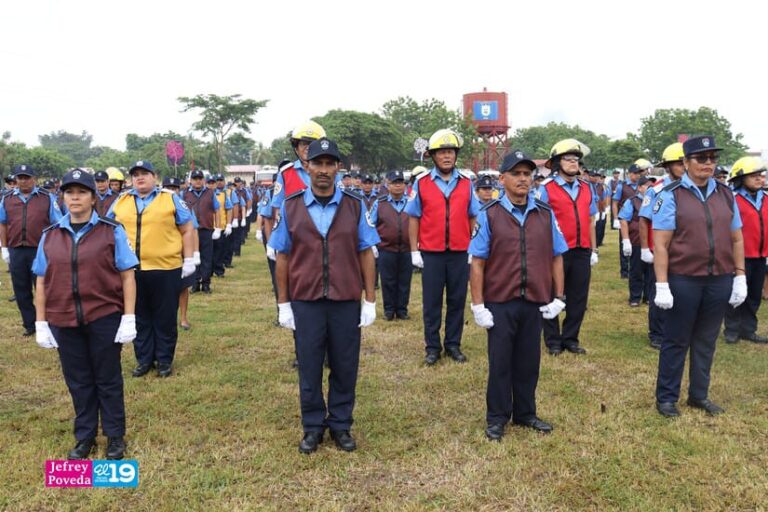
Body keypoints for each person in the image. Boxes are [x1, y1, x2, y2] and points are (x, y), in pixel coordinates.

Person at [268, 138, 379, 454]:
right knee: (310, 366)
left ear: (338, 168)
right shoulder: (291, 206)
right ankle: (313, 426)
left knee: (345, 365)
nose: (324, 170)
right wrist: (283, 304)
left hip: (345, 299)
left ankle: (341, 425)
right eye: (318, 163)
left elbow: (366, 252)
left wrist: (369, 299)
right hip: (306, 301)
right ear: (307, 166)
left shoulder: (354, 205)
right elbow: (282, 256)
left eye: (330, 164)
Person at [31, 169, 138, 460]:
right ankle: (85, 435)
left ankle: (114, 435)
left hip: (104, 316)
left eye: (82, 192)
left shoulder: (110, 230)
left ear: (93, 198)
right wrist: (41, 322)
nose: (75, 198)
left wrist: (129, 317)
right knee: (78, 381)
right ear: (62, 198)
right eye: (69, 192)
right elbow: (41, 280)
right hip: (63, 318)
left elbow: (127, 276)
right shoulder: (50, 235)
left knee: (108, 379)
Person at [469, 150, 568, 440]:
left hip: (534, 299)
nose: (523, 179)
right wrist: (478, 305)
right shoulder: (489, 214)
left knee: (528, 361)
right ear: (502, 179)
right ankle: (497, 417)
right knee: (500, 362)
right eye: (516, 174)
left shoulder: (545, 214)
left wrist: (559, 297)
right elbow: (478, 262)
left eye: (527, 174)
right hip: (500, 301)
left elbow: (557, 256)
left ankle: (525, 413)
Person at [651, 135, 746, 417]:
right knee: (676, 339)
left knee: (706, 339)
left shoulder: (726, 194)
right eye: (701, 158)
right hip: (684, 278)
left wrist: (739, 275)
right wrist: (662, 284)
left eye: (712, 158)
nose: (708, 163)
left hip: (719, 278)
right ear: (685, 162)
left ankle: (699, 395)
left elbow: (737, 238)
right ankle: (667, 398)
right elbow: (661, 244)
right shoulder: (670, 194)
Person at [108, 161, 195, 378]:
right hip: (132, 270)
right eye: (135, 174)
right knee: (140, 316)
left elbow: (187, 229)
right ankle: (144, 359)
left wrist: (189, 259)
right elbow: (107, 227)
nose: (140, 178)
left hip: (166, 268)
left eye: (144, 174)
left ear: (154, 176)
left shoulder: (170, 198)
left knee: (165, 316)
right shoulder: (121, 200)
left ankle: (164, 359)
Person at [406, 128, 479, 365]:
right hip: (432, 252)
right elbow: (414, 217)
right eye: (441, 152)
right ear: (433, 156)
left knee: (457, 300)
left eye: (451, 152)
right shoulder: (422, 183)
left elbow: (473, 216)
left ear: (456, 155)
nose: (447, 156)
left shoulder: (466, 183)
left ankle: (453, 344)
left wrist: (473, 247)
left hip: (459, 252)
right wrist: (414, 250)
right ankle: (432, 347)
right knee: (432, 303)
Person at [535, 139, 598, 355]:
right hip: (556, 252)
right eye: (568, 159)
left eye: (576, 159)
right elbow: (539, 221)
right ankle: (553, 340)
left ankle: (571, 338)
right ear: (556, 163)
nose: (573, 162)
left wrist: (593, 249)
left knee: (579, 297)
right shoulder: (546, 188)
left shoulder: (587, 187)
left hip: (581, 250)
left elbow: (590, 219)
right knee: (552, 294)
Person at [0, 164, 62, 336]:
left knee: (45, 287)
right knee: (21, 289)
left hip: (40, 250)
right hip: (16, 249)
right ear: (16, 180)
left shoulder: (46, 197)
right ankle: (30, 323)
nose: (23, 181)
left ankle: (49, 321)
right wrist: (4, 247)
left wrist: (54, 247)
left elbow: (56, 223)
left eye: (27, 177)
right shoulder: (7, 199)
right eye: (20, 178)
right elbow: (3, 224)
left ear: (34, 179)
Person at [639, 142, 686, 349]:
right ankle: (657, 333)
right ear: (668, 166)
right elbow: (644, 219)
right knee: (658, 290)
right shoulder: (656, 190)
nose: (684, 167)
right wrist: (644, 248)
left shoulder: (692, 188)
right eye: (679, 163)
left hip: (683, 250)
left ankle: (678, 329)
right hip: (660, 249)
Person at [723, 157, 768, 344]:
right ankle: (732, 330)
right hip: (739, 257)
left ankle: (748, 330)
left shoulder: (766, 198)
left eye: (761, 175)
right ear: (741, 179)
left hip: (761, 256)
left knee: (754, 295)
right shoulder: (732, 199)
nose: (760, 179)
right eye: (754, 176)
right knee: (736, 294)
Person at [371, 170, 412, 321]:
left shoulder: (411, 202)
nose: (398, 186)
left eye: (400, 183)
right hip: (386, 249)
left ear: (404, 185)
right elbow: (371, 224)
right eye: (394, 183)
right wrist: (373, 245)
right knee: (387, 281)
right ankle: (389, 310)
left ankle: (402, 310)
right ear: (388, 185)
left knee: (404, 281)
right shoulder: (379, 203)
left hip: (407, 249)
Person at [183, 170, 220, 294]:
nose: (198, 181)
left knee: (207, 258)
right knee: (192, 257)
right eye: (195, 179)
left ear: (203, 180)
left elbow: (217, 210)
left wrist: (218, 228)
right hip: (190, 231)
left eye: (200, 178)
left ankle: (206, 283)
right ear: (191, 180)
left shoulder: (210, 193)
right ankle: (194, 283)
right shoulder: (185, 194)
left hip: (206, 230)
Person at [613, 160, 650, 278]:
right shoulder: (622, 186)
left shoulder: (643, 185)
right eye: (635, 173)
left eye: (639, 173)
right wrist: (615, 218)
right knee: (624, 244)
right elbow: (615, 202)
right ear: (629, 173)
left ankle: (638, 268)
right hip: (625, 218)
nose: (637, 175)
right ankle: (624, 271)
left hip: (638, 218)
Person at [619, 176, 652, 307]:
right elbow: (624, 220)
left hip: (652, 242)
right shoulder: (632, 201)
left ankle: (649, 296)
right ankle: (635, 297)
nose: (650, 188)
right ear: (639, 188)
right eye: (647, 186)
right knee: (636, 270)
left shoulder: (656, 200)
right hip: (637, 241)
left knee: (651, 271)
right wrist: (626, 240)